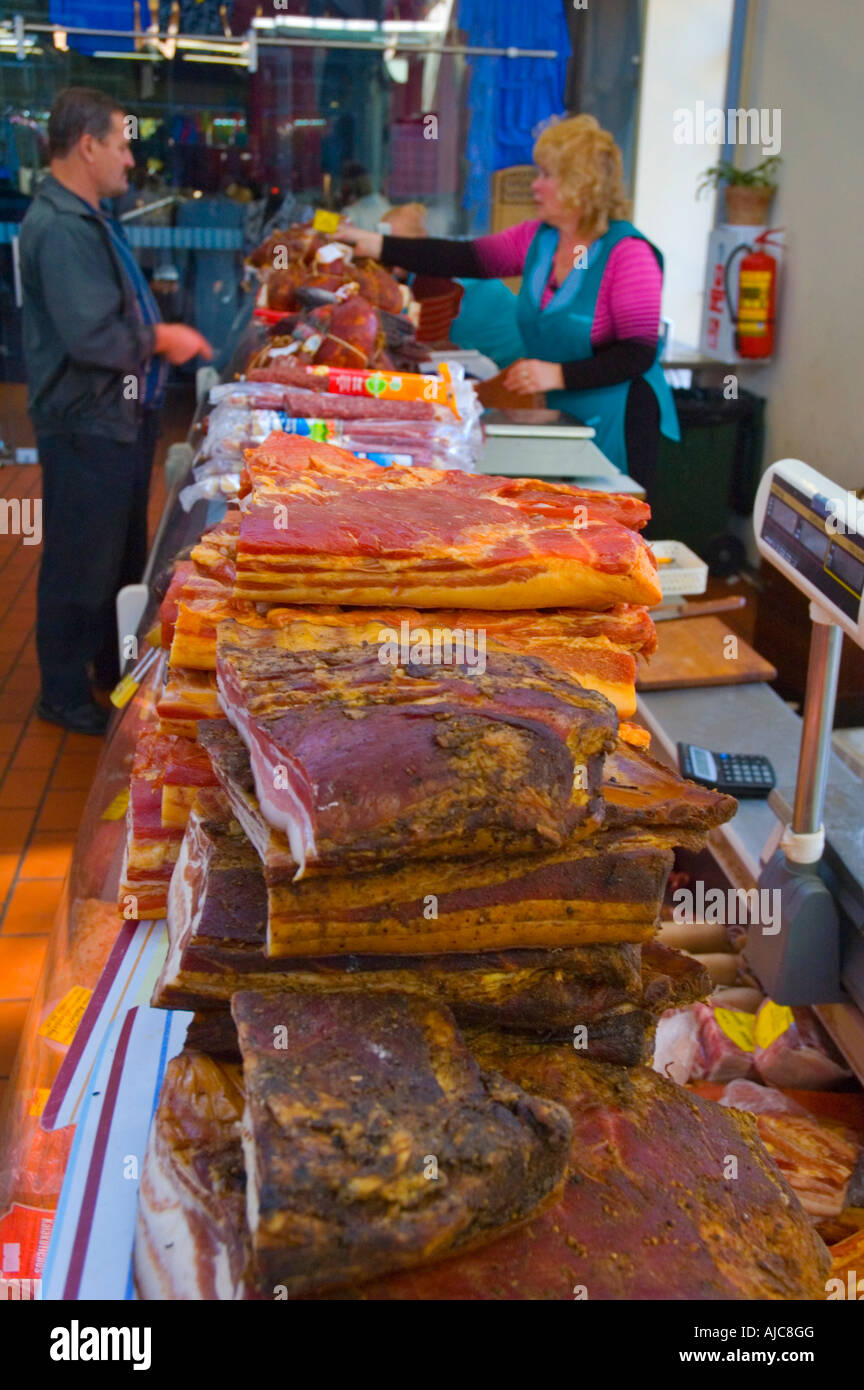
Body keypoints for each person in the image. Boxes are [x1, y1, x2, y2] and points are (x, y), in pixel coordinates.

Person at [338, 114, 679, 490]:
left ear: (581, 184)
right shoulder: (540, 239)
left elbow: (638, 353)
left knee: (613, 527)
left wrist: (558, 374)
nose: (535, 185)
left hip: (621, 416)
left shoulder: (628, 254)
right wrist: (378, 244)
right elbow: (463, 257)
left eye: (547, 175)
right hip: (560, 413)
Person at [20, 87, 212, 735]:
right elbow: (89, 336)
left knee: (117, 553)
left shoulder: (90, 217)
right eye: (124, 145)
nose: (131, 160)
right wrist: (164, 338)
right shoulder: (59, 227)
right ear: (88, 146)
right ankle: (64, 694)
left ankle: (111, 669)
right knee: (81, 559)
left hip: (118, 421)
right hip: (85, 423)